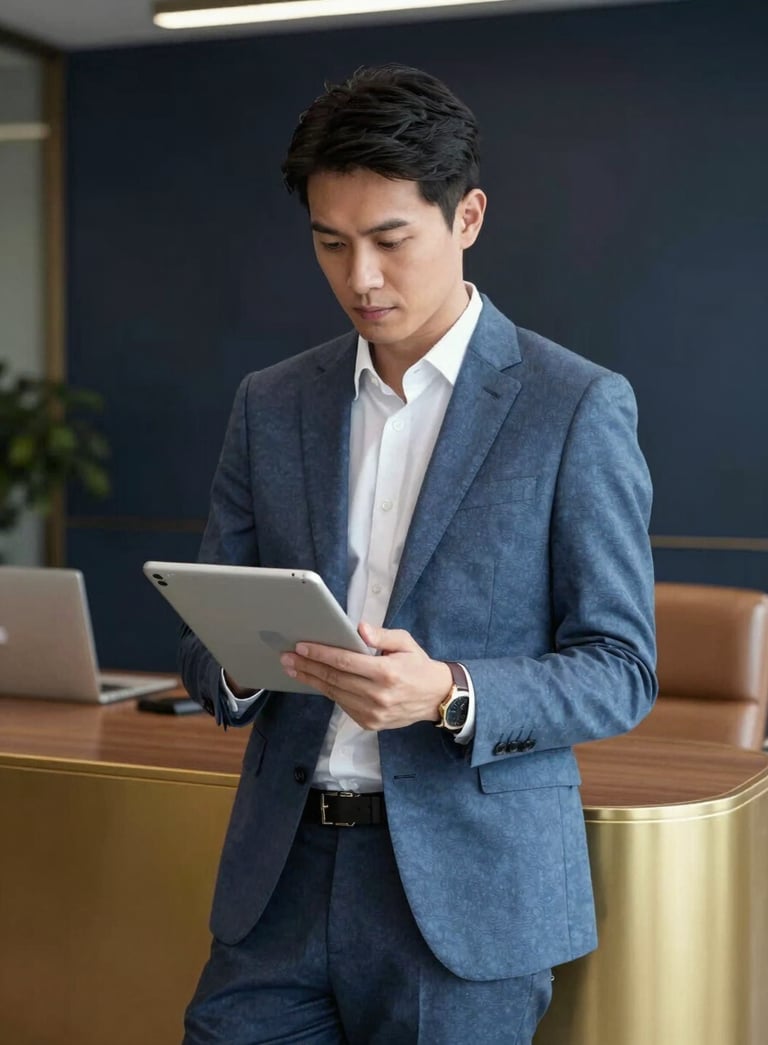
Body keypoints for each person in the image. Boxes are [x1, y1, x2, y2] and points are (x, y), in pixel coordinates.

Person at [179, 63, 657, 1045]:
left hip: (466, 892)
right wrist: (245, 658)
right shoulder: (272, 403)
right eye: (331, 242)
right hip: (281, 882)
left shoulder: (573, 406)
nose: (360, 277)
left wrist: (447, 690)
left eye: (390, 240)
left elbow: (621, 667)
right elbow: (203, 642)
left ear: (466, 217)